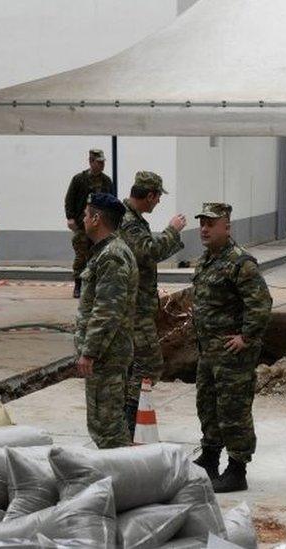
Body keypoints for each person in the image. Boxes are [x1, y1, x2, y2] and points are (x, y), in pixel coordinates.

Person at [190, 203, 272, 493]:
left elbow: (260, 304)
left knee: (233, 410)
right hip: (208, 353)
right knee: (208, 406)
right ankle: (210, 458)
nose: (204, 228)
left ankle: (237, 469)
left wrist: (246, 338)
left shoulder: (241, 263)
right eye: (202, 223)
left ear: (227, 226)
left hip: (232, 356)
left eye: (211, 224)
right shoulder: (206, 261)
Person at [118, 170, 186, 437]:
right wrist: (172, 230)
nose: (158, 203)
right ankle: (129, 417)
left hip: (138, 305)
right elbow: (149, 251)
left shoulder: (133, 220)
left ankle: (127, 416)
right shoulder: (128, 222)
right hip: (133, 308)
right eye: (157, 197)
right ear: (150, 195)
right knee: (149, 364)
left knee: (135, 364)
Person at [74, 193, 139, 449]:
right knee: (104, 423)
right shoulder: (106, 252)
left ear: (96, 218)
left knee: (108, 428)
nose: (83, 219)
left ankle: (122, 481)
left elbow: (107, 309)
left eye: (86, 214)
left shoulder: (112, 255)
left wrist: (89, 352)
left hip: (106, 355)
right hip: (107, 353)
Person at [64, 149, 116, 298]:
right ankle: (78, 285)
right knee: (81, 254)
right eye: (99, 162)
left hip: (101, 226)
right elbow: (69, 200)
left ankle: (97, 285)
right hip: (83, 224)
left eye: (103, 163)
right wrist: (70, 218)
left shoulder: (106, 181)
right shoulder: (79, 180)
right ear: (91, 161)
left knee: (101, 255)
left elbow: (112, 201)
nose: (101, 165)